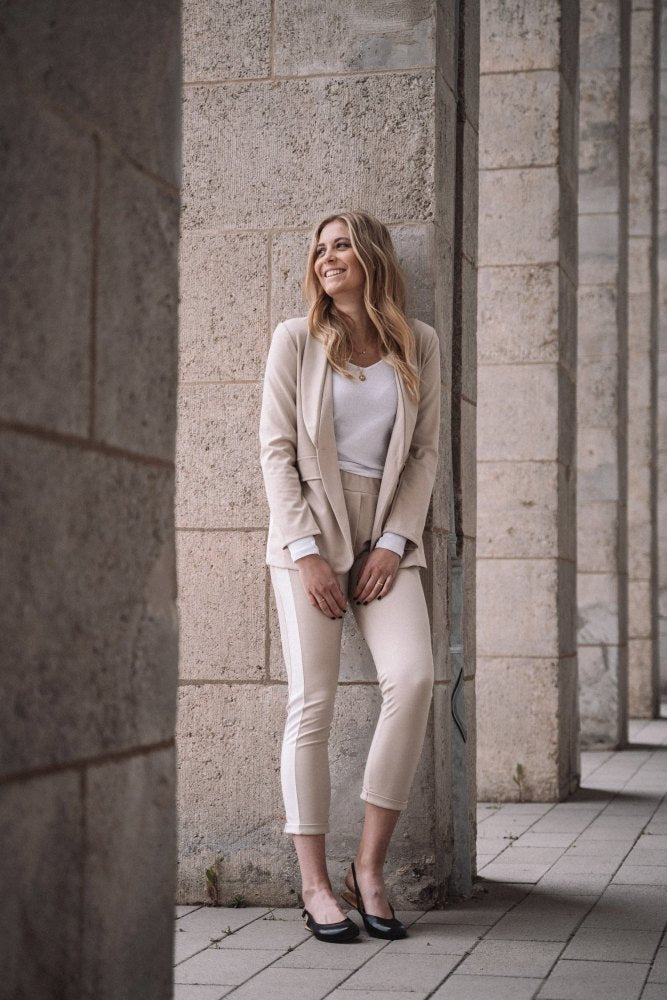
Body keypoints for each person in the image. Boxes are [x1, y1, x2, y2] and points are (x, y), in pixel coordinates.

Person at [258, 210, 441, 943]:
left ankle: (368, 868)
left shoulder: (416, 342)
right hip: (309, 532)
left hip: (386, 534)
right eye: (319, 249)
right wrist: (305, 551)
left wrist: (394, 542)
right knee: (313, 700)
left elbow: (423, 453)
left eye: (340, 246)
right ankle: (313, 884)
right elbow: (275, 450)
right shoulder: (295, 339)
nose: (326, 258)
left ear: (370, 257)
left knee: (415, 679)